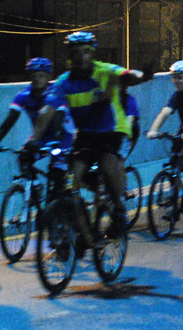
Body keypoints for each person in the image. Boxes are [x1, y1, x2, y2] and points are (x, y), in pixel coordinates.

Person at [48, 31, 151, 236]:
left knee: (106, 163)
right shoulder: (63, 82)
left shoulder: (104, 70)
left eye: (85, 52)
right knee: (72, 180)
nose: (80, 57)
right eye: (75, 52)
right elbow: (49, 109)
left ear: (92, 54)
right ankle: (83, 230)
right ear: (70, 55)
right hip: (85, 134)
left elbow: (126, 76)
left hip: (111, 131)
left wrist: (144, 76)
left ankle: (118, 211)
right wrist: (36, 138)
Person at [0, 58, 76, 193]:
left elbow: (58, 118)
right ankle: (35, 188)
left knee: (58, 175)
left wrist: (57, 143)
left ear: (48, 77)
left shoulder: (56, 94)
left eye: (41, 76)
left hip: (62, 136)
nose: (37, 79)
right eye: (34, 76)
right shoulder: (23, 96)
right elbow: (10, 119)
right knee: (24, 158)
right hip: (41, 136)